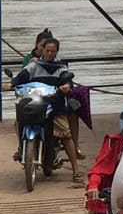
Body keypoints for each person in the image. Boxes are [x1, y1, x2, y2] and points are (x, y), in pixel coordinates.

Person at [13, 29, 85, 170]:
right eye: (47, 50)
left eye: (53, 51)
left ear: (56, 52)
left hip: (55, 105)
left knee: (65, 135)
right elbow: (21, 76)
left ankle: (75, 169)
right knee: (20, 118)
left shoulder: (60, 67)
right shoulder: (33, 66)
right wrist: (11, 83)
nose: (49, 54)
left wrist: (66, 85)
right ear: (42, 50)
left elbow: (67, 79)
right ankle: (22, 148)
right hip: (36, 103)